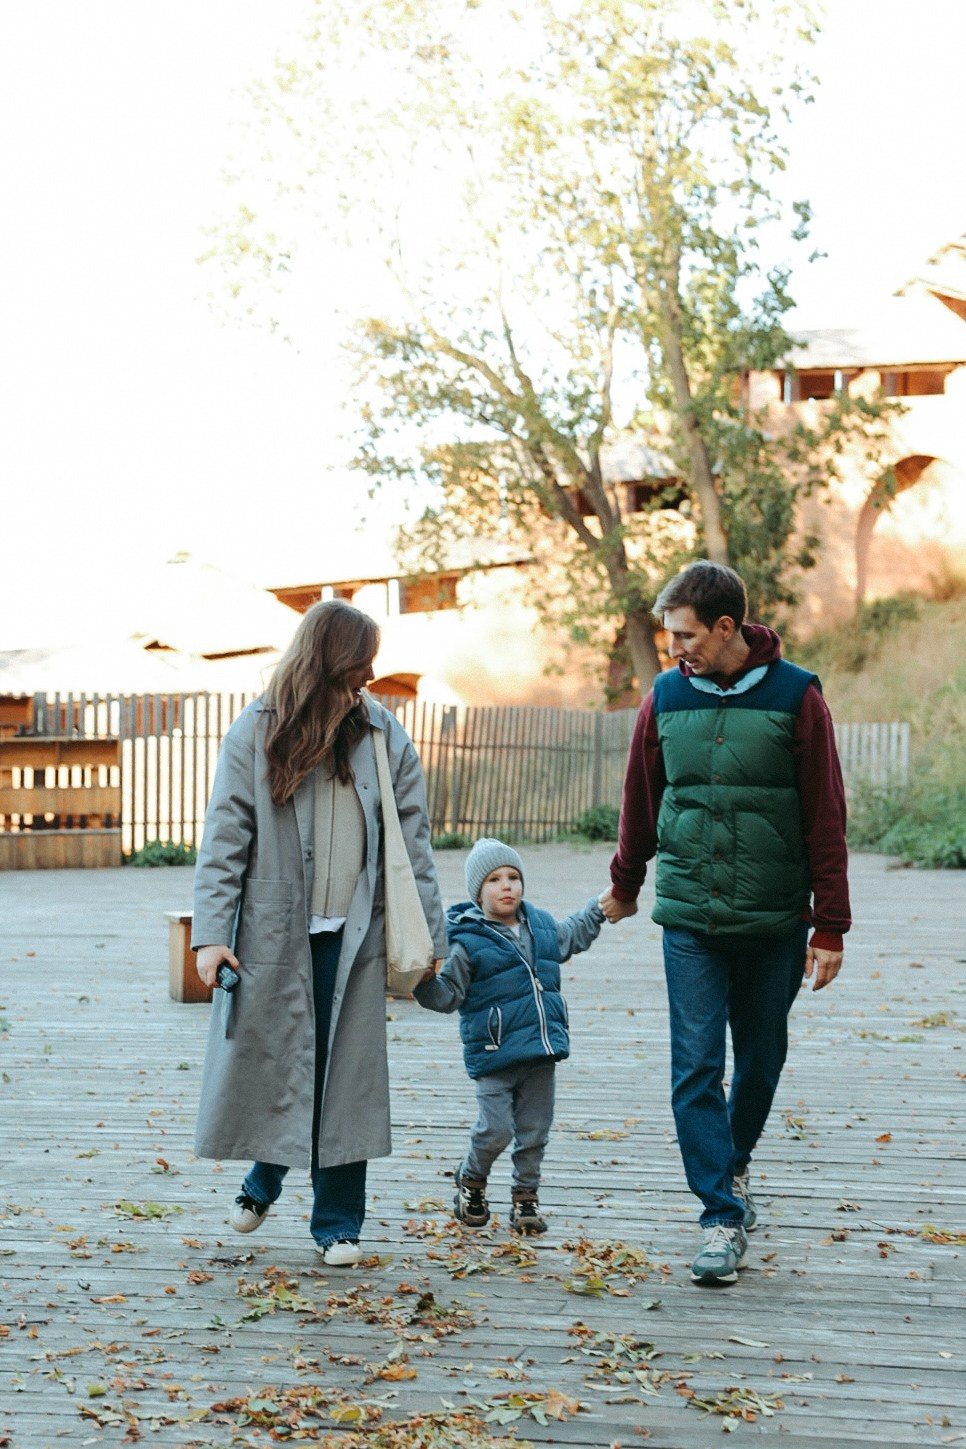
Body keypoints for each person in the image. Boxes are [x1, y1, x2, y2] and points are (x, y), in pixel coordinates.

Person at [600, 561, 850, 1287]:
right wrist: (626, 883)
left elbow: (825, 813)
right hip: (691, 918)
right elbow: (641, 797)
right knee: (696, 1066)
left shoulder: (796, 696)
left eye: (686, 635)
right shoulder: (666, 695)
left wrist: (829, 924)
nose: (676, 648)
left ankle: (733, 1164)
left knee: (761, 1060)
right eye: (669, 636)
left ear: (726, 627)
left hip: (774, 918)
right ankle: (719, 1215)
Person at [192, 600, 446, 1266]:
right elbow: (224, 838)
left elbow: (413, 842)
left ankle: (338, 1224)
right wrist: (211, 934)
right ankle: (264, 1177)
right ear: (328, 659)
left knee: (347, 1080)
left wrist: (433, 938)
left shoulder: (383, 733)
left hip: (358, 934)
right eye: (360, 663)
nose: (370, 675)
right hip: (273, 931)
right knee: (284, 1064)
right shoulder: (258, 729)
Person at [414, 837, 605, 1235]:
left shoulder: (540, 927)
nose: (507, 886)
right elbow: (448, 996)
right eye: (495, 879)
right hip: (494, 1054)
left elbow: (573, 933)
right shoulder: (466, 941)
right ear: (477, 891)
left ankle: (525, 1197)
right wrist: (422, 982)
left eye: (513, 877)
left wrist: (599, 909)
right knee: (495, 1129)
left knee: (534, 1131)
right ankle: (472, 1180)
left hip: (540, 1051)